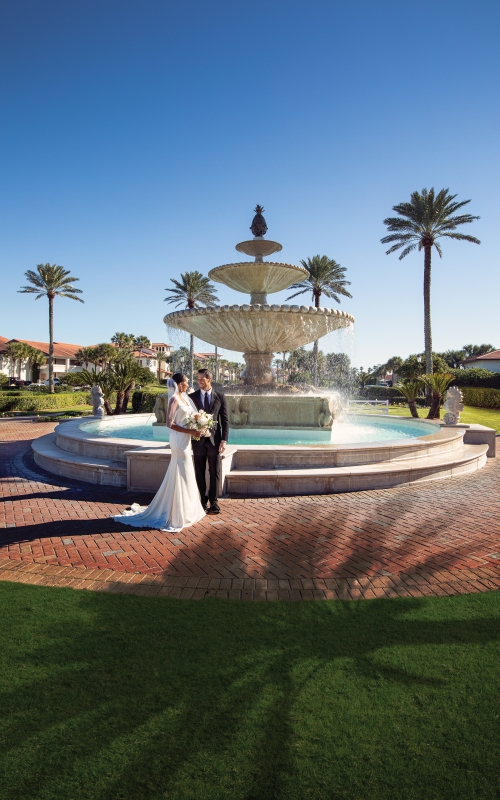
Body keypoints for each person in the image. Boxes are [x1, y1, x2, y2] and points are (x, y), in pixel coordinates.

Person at [112, 372, 206, 532]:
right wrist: (190, 432)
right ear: (179, 384)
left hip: (186, 440)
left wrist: (198, 425)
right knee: (181, 469)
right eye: (186, 382)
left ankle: (188, 509)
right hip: (178, 440)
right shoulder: (174, 399)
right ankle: (177, 513)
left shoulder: (185, 398)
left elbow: (189, 418)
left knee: (186, 471)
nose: (188, 384)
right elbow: (170, 424)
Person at [189, 368, 229, 515]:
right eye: (198, 379)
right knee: (199, 472)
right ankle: (201, 501)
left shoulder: (220, 396)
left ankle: (214, 501)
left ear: (209, 379)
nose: (199, 382)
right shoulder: (192, 397)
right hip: (198, 441)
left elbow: (224, 420)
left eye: (201, 380)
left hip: (214, 441)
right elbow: (188, 419)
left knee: (215, 472)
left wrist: (224, 440)